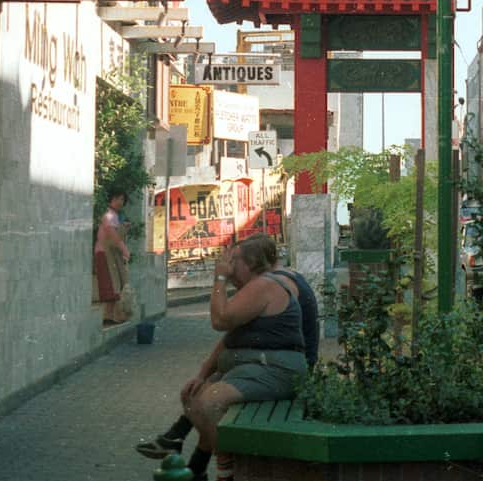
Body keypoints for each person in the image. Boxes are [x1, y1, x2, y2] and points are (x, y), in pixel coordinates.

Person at [135, 235, 319, 465]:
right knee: (192, 396)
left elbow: (220, 320)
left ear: (250, 263)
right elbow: (231, 337)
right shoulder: (260, 285)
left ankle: (230, 469)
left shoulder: (268, 284)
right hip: (256, 366)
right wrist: (202, 374)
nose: (229, 269)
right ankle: (196, 466)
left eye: (233, 261)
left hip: (275, 369)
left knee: (211, 402)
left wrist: (220, 278)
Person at [95, 192, 130, 326]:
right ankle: (108, 316)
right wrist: (124, 249)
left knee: (115, 283)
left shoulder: (116, 216)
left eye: (122, 199)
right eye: (116, 198)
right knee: (110, 284)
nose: (119, 201)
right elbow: (112, 235)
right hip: (104, 252)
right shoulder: (109, 214)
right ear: (110, 199)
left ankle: (110, 316)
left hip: (111, 253)